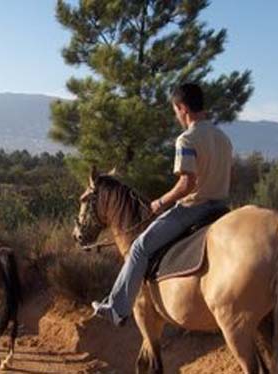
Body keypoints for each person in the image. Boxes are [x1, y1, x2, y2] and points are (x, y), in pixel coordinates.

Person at [91, 83, 233, 326]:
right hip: (221, 208)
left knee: (139, 247)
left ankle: (116, 308)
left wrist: (160, 201)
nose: (176, 116)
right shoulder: (223, 138)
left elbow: (186, 184)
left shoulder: (187, 139)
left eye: (175, 110)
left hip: (194, 209)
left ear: (182, 108)